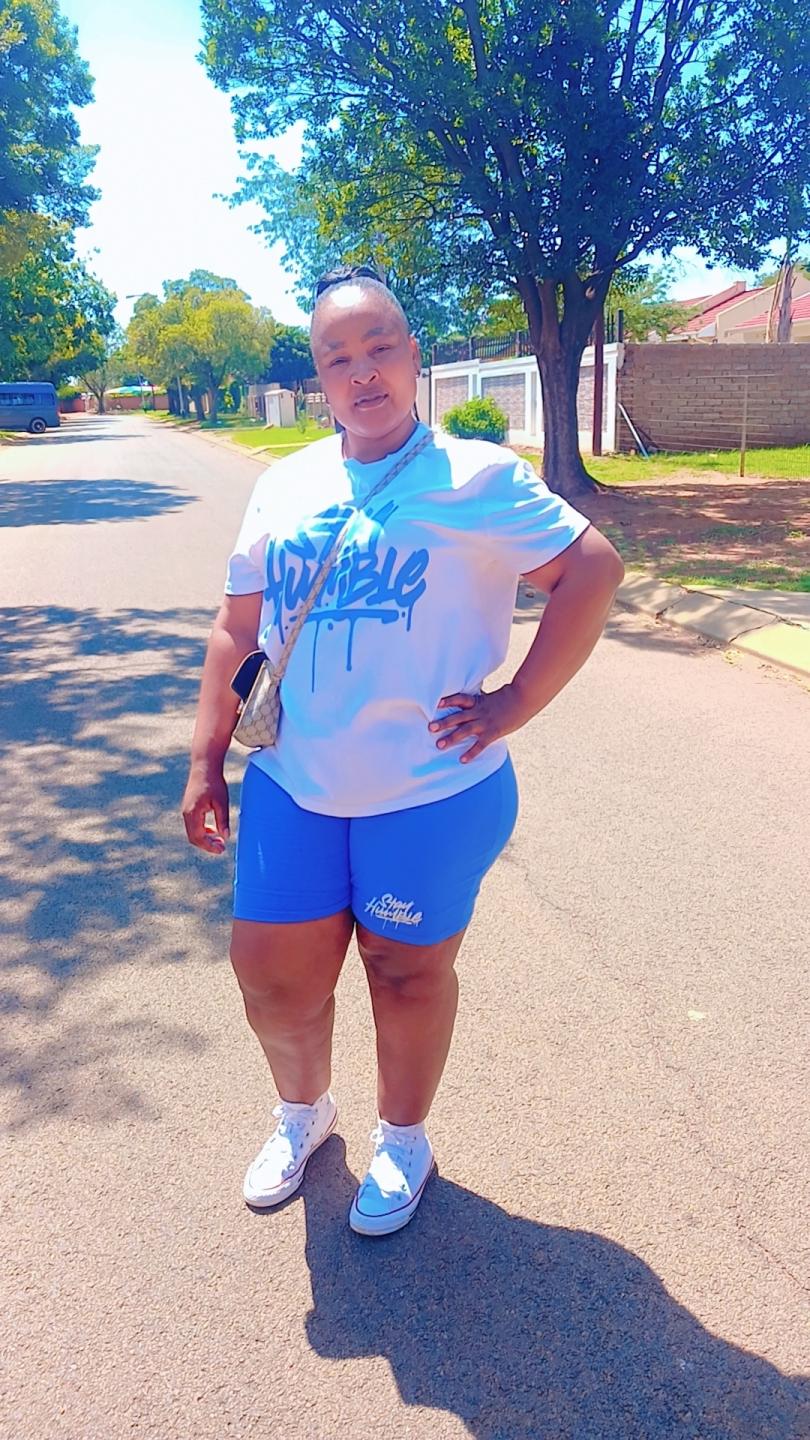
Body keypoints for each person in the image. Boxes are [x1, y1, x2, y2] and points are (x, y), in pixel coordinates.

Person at [182, 263, 625, 1237]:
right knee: (272, 977)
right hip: (295, 781)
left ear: (414, 356)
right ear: (318, 377)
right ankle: (303, 1115)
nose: (362, 370)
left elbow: (592, 570)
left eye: (380, 346)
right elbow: (235, 628)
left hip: (430, 791)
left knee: (405, 972)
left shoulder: (477, 478)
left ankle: (404, 1142)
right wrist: (205, 759)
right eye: (337, 356)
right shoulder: (285, 484)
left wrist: (515, 702)